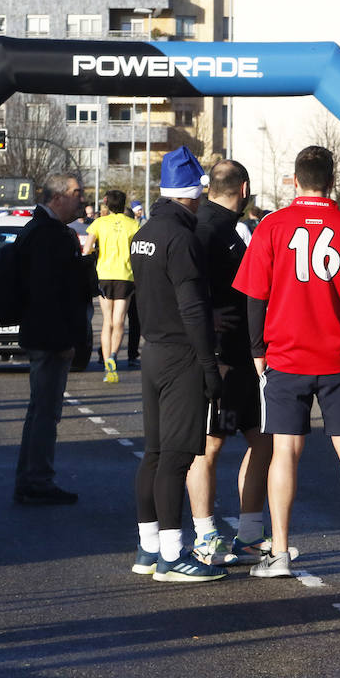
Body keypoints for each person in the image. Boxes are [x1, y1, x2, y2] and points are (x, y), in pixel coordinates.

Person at [232, 145, 340, 579]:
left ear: (295, 179)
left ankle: (280, 553)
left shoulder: (271, 226)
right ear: (333, 179)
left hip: (286, 353)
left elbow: (254, 296)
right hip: (337, 354)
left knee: (285, 450)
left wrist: (256, 349)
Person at [128, 147, 226, 582]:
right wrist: (209, 366)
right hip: (181, 353)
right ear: (193, 194)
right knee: (177, 457)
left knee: (152, 454)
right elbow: (192, 309)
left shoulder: (144, 231)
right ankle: (173, 554)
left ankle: (148, 549)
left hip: (152, 351)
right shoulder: (182, 238)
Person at [183, 159, 276, 567]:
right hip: (218, 358)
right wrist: (206, 319)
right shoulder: (204, 230)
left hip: (246, 357)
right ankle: (205, 536)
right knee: (209, 447)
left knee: (264, 440)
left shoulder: (232, 228)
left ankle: (251, 536)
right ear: (244, 188)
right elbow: (181, 287)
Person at [11, 173, 92, 505]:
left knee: (39, 410)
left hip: (42, 333)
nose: (81, 199)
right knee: (46, 411)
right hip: (49, 337)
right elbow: (49, 294)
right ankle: (37, 481)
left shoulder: (41, 230)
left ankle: (30, 479)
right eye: (76, 193)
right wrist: (65, 340)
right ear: (58, 197)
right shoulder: (49, 235)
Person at [84, 189, 140, 384]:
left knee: (107, 320)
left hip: (104, 275)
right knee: (119, 321)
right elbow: (138, 251)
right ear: (124, 204)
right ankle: (113, 356)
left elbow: (86, 249)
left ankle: (108, 362)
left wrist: (97, 251)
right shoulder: (133, 224)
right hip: (125, 276)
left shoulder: (99, 223)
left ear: (107, 204)